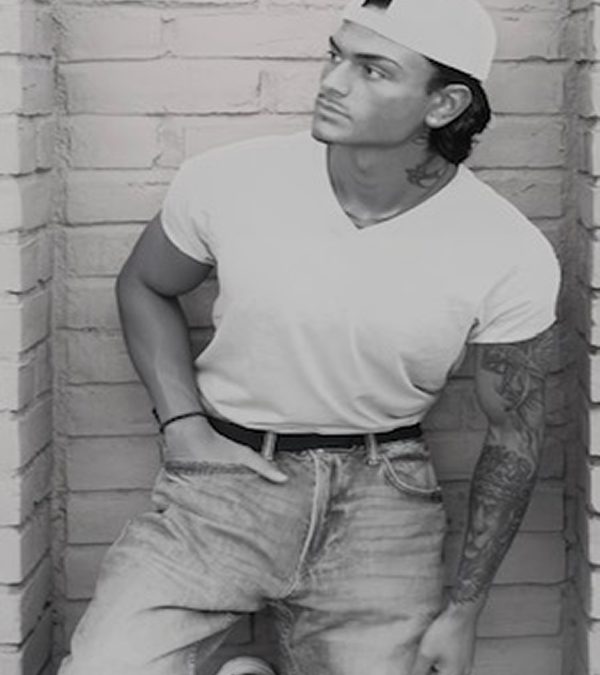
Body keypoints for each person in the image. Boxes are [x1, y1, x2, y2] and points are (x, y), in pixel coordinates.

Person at [58, 0, 561, 673]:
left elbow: (513, 436)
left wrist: (465, 609)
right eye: (335, 55)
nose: (332, 81)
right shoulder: (231, 179)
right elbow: (145, 284)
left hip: (383, 502)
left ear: (444, 104)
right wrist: (183, 426)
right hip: (222, 484)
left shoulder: (506, 249)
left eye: (372, 69)